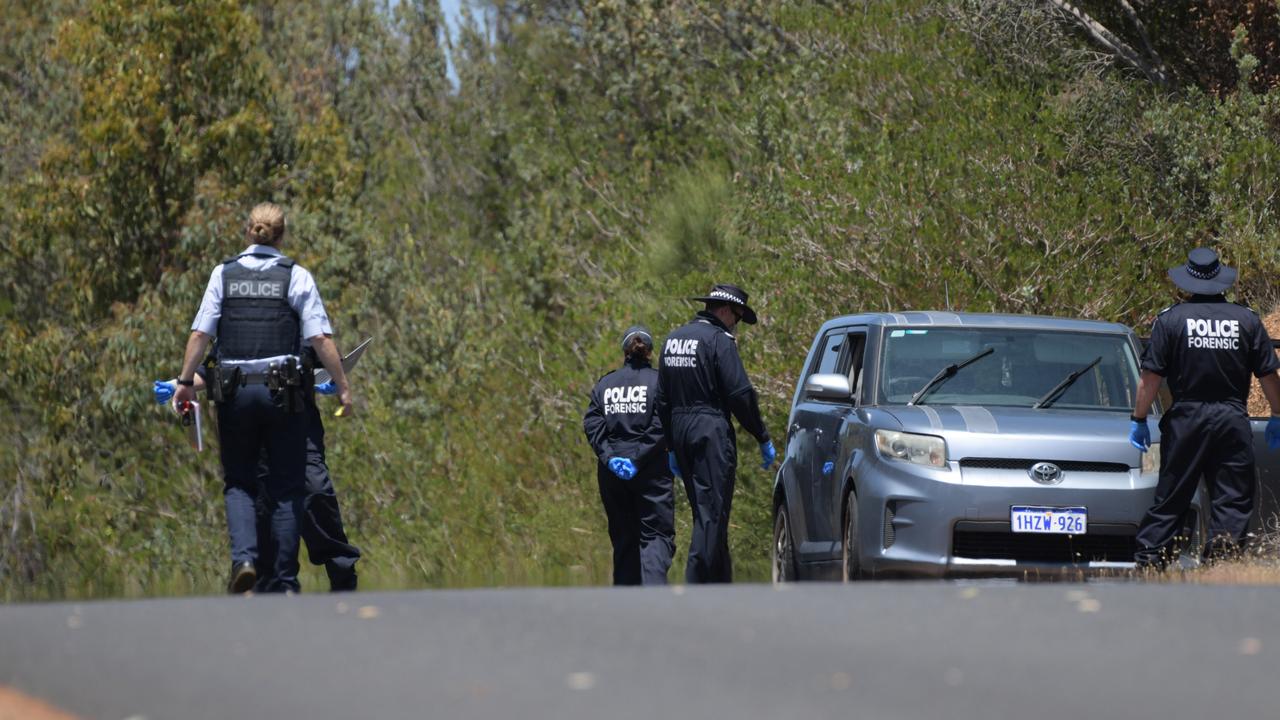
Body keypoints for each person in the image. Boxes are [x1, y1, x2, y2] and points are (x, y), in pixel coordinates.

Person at [171, 202, 353, 593]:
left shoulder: (224, 275)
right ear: (282, 235)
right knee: (288, 489)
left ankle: (247, 561)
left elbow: (201, 337)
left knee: (242, 485)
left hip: (239, 400)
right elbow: (320, 339)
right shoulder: (296, 276)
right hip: (284, 402)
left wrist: (184, 380)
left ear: (248, 232)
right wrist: (343, 386)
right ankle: (281, 581)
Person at [1129, 248, 1280, 569]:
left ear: (1188, 281)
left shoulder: (1170, 320)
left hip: (1187, 419)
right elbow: (1268, 375)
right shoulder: (1246, 320)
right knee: (1232, 498)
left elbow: (1150, 378)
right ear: (1220, 281)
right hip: (1231, 419)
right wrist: (1277, 415)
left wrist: (1138, 418)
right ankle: (1221, 565)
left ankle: (1150, 562)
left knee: (1172, 496)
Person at [154, 365, 362, 592]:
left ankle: (342, 573)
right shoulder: (229, 329)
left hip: (297, 417)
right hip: (251, 420)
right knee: (264, 506)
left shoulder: (299, 328)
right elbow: (217, 364)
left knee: (315, 491)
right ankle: (272, 584)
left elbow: (319, 344)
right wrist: (179, 384)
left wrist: (329, 373)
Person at [655, 284, 776, 584]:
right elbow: (740, 394)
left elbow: (661, 399)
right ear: (724, 310)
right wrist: (761, 435)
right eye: (736, 317)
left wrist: (670, 445)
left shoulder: (672, 339)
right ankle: (696, 585)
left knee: (706, 511)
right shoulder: (719, 340)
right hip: (710, 429)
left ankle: (721, 583)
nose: (736, 324)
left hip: (680, 430)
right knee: (712, 513)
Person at [583, 325, 675, 585]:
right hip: (651, 469)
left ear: (624, 351)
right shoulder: (659, 382)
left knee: (623, 536)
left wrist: (610, 457)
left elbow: (592, 424)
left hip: (612, 473)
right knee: (656, 534)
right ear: (650, 352)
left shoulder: (605, 384)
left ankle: (625, 600)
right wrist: (638, 458)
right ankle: (655, 594)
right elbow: (662, 425)